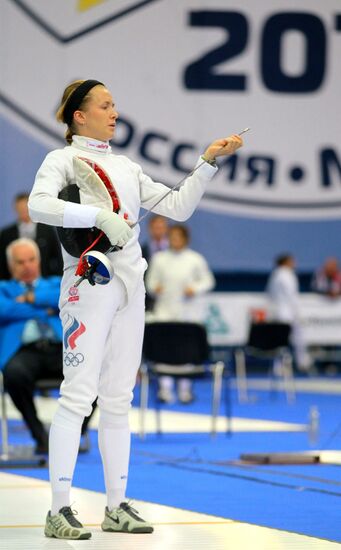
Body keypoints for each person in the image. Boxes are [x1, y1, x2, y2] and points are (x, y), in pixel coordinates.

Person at [28, 78, 243, 540]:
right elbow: (38, 207)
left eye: (115, 104)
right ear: (78, 115)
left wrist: (206, 163)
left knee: (119, 398)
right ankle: (58, 508)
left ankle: (115, 505)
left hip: (131, 289)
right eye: (105, 105)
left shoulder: (125, 166)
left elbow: (178, 207)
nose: (115, 112)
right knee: (77, 396)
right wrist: (98, 215)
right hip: (88, 285)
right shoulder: (62, 160)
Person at [0, 239, 62, 454]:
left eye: (31, 260)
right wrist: (45, 310)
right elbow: (4, 310)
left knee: (95, 370)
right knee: (13, 374)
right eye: (20, 262)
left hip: (61, 347)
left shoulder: (55, 283)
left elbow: (68, 297)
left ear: (39, 260)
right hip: (24, 352)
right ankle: (38, 433)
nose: (27, 266)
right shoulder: (4, 289)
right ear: (10, 266)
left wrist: (31, 297)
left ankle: (70, 434)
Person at [146, 224, 215, 403]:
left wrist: (195, 288)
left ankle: (185, 391)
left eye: (179, 237)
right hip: (164, 313)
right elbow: (150, 283)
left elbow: (208, 281)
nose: (175, 241)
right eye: (172, 237)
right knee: (165, 351)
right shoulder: (159, 259)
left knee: (186, 353)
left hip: (187, 314)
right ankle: (165, 390)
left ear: (186, 239)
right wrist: (155, 288)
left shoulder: (195, 259)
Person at [0, 192, 63, 280]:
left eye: (25, 208)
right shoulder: (6, 234)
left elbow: (58, 258)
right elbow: (3, 262)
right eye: (20, 208)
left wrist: (58, 279)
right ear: (15, 209)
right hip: (15, 284)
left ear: (31, 207)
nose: (23, 211)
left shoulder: (47, 230)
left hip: (44, 282)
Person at [266, 253, 311, 371]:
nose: (294, 263)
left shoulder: (274, 275)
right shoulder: (287, 275)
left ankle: (279, 366)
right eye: (292, 261)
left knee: (280, 341)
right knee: (296, 339)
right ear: (285, 262)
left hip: (278, 312)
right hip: (288, 313)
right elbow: (292, 295)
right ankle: (302, 363)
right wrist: (298, 312)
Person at [141, 215, 169, 311]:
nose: (159, 230)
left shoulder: (174, 249)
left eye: (161, 227)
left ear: (166, 229)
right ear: (150, 229)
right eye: (156, 227)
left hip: (170, 295)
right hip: (148, 298)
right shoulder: (141, 250)